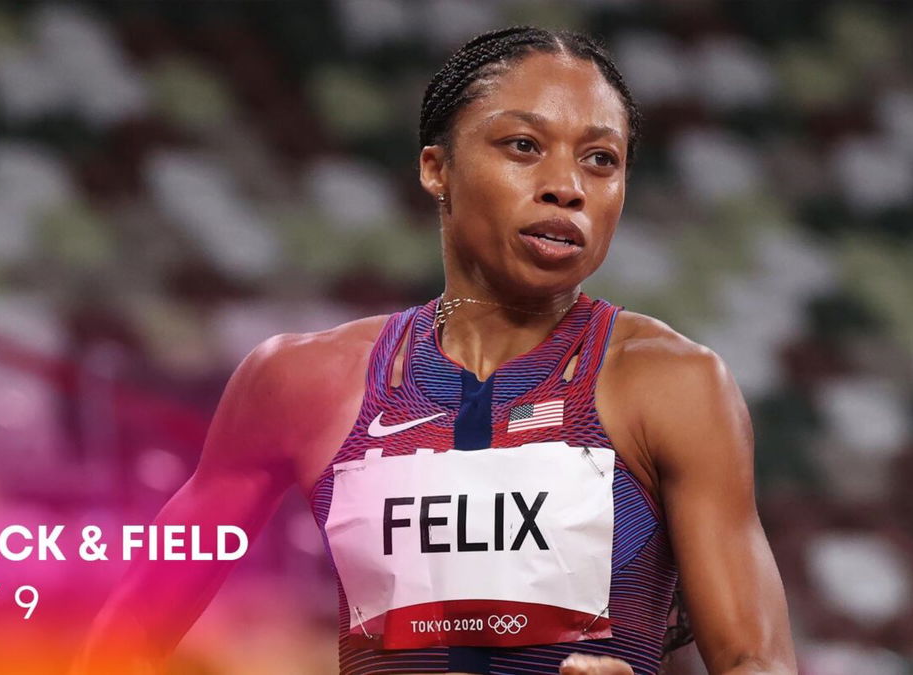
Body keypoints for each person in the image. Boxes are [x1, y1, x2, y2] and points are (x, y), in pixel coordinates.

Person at [74, 26, 796, 675]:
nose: (567, 187)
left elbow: (757, 662)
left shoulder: (673, 382)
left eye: (601, 160)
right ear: (435, 168)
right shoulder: (300, 382)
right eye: (523, 146)